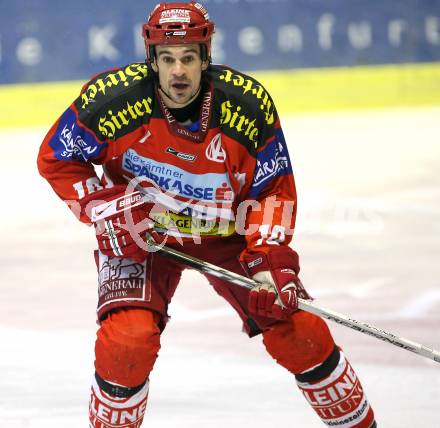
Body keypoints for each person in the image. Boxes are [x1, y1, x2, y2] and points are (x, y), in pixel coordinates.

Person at [37, 2, 377, 427]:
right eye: (167, 59)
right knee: (127, 343)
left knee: (300, 333)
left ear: (205, 56)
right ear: (152, 59)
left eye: (188, 59)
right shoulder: (112, 100)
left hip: (228, 233)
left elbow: (272, 189)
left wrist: (269, 258)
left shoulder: (246, 107)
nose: (178, 72)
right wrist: (107, 207)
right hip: (142, 233)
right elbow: (57, 157)